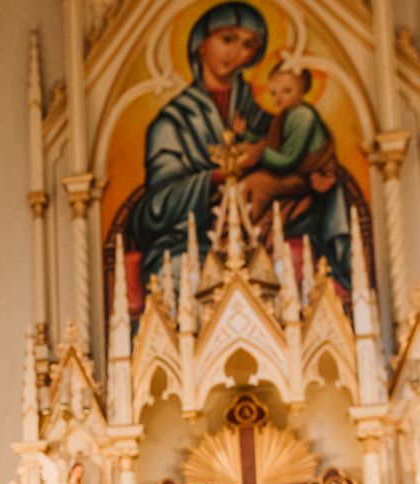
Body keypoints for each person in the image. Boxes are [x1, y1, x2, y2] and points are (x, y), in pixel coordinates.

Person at [130, 2, 270, 283]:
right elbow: (153, 210)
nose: (235, 52)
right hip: (190, 242)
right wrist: (221, 175)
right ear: (200, 45)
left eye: (247, 44)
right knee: (183, 277)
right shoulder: (171, 123)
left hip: (261, 234)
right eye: (227, 38)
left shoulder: (261, 116)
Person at [234, 62, 351, 279]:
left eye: (287, 91)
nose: (279, 98)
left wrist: (259, 152)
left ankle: (248, 245)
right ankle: (248, 244)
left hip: (307, 177)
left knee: (254, 186)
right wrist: (247, 135)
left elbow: (286, 160)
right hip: (299, 174)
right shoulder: (286, 116)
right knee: (247, 184)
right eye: (274, 93)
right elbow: (273, 146)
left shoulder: (302, 116)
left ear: (303, 89)